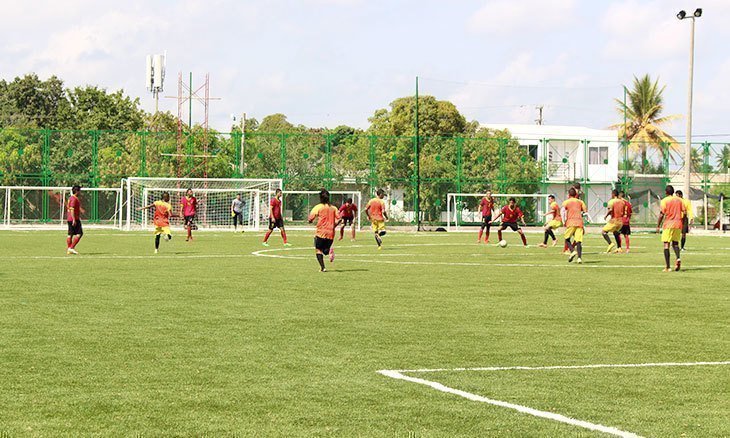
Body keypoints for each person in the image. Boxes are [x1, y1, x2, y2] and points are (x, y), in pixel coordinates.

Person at [308, 189, 342, 272]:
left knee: (318, 249)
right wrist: (334, 225)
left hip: (321, 232)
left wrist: (310, 220)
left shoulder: (318, 207)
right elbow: (340, 218)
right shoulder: (333, 208)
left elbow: (310, 218)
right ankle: (329, 251)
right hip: (331, 233)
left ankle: (323, 267)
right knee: (325, 251)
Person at [656, 185, 686, 272]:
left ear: (666, 192)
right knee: (675, 243)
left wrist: (658, 225)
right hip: (678, 224)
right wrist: (682, 222)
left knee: (666, 245)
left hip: (668, 224)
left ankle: (668, 267)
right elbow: (684, 212)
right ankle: (678, 258)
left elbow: (662, 214)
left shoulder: (664, 201)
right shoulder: (679, 200)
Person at [562, 187, 587, 264]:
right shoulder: (580, 202)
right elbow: (585, 212)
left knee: (566, 238)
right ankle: (579, 258)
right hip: (579, 222)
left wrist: (563, 221)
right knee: (578, 241)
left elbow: (563, 212)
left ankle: (572, 251)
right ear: (576, 194)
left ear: (569, 194)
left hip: (570, 222)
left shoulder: (566, 202)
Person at [563, 182, 584, 254]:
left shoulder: (575, 195)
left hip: (572, 217)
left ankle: (569, 249)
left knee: (569, 235)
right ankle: (569, 248)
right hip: (575, 218)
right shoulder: (577, 196)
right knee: (574, 235)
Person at [66, 185, 83, 255]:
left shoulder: (70, 198)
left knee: (70, 234)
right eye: (79, 191)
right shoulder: (74, 199)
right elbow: (72, 209)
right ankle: (71, 248)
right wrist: (74, 219)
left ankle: (69, 249)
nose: (80, 192)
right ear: (77, 191)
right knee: (80, 233)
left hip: (69, 218)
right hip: (74, 219)